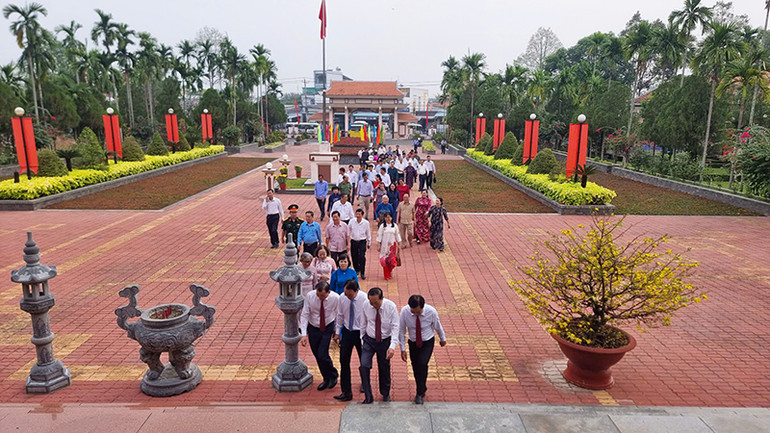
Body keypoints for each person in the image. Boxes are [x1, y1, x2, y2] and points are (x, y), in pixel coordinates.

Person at [399, 294, 446, 405]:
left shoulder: (431, 312)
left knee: (422, 363)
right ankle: (421, 386)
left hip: (427, 341)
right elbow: (401, 330)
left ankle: (419, 393)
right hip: (413, 342)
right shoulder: (405, 312)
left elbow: (437, 325)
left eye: (418, 312)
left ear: (423, 307)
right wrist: (402, 348)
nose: (415, 314)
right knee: (415, 367)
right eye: (413, 312)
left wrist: (442, 338)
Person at [359, 287, 399, 404]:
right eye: (371, 302)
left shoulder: (391, 307)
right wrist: (362, 340)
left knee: (384, 367)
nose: (373, 305)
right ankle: (368, 395)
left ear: (382, 298)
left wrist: (392, 346)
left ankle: (385, 393)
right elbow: (363, 323)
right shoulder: (366, 305)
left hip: (385, 341)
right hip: (369, 340)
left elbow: (395, 327)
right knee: (364, 365)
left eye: (376, 302)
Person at [300, 281, 340, 391]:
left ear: (328, 292)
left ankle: (333, 374)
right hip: (313, 327)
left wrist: (337, 332)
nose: (320, 297)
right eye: (318, 294)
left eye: (322, 296)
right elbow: (305, 314)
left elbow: (338, 315)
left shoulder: (335, 298)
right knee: (317, 355)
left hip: (327, 327)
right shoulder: (310, 296)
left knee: (323, 354)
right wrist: (303, 334)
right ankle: (326, 378)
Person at [332, 279, 367, 401]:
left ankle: (365, 385)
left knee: (364, 361)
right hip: (347, 331)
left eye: (350, 295)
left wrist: (364, 339)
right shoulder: (342, 297)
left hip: (361, 333)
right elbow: (340, 315)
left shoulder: (365, 299)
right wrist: (337, 332)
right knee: (344, 360)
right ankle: (346, 391)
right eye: (346, 294)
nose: (347, 296)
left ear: (357, 291)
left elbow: (368, 319)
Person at [348, 208, 371, 280]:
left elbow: (368, 233)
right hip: (354, 240)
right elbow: (348, 231)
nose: (358, 216)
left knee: (361, 256)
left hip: (362, 241)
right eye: (356, 214)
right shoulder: (351, 221)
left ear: (362, 215)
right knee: (354, 256)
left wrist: (369, 242)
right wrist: (348, 241)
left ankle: (362, 272)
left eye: (359, 214)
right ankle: (357, 269)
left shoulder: (366, 223)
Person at [377, 212, 401, 280]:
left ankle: (390, 271)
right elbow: (379, 236)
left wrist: (399, 244)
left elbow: (397, 235)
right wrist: (378, 245)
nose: (388, 219)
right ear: (384, 218)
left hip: (392, 247)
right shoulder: (382, 226)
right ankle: (386, 275)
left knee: (392, 261)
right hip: (384, 247)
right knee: (384, 262)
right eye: (386, 217)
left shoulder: (395, 226)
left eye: (389, 217)